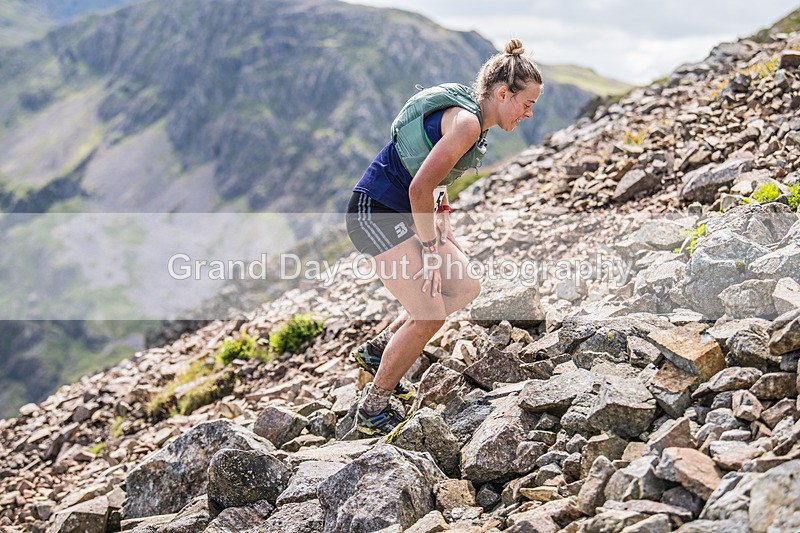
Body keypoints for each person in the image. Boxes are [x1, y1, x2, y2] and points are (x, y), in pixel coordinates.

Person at [344, 38, 543, 436]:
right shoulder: (468, 123)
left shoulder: (472, 119)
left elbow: (435, 172)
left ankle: (380, 349)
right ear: (503, 94)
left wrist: (443, 213)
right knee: (430, 314)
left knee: (466, 287)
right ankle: (372, 410)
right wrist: (431, 251)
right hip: (375, 212)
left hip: (404, 211)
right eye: (527, 103)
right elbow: (419, 188)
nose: (529, 113)